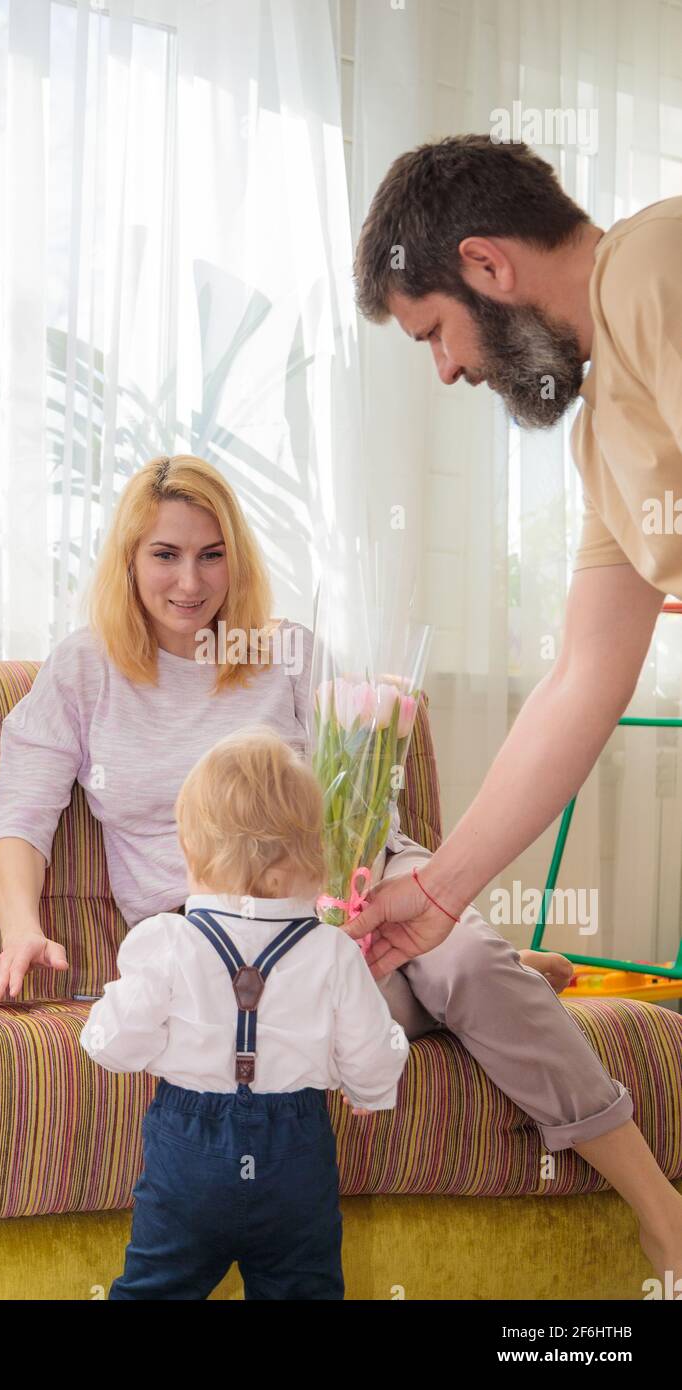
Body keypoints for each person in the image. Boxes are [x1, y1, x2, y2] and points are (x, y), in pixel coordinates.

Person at [0, 452, 678, 1279]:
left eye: (211, 554)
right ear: (128, 561)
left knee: (462, 965)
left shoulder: (287, 651)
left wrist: (345, 896)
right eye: (164, 555)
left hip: (357, 883)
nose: (190, 582)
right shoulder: (85, 670)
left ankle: (663, 1216)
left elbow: (363, 793)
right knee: (338, 1003)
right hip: (217, 928)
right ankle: (491, 971)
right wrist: (19, 929)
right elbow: (21, 809)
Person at [351, 134, 682, 1277]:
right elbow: (580, 682)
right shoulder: (602, 440)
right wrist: (438, 892)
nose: (445, 371)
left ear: (486, 266)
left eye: (431, 332)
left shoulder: (651, 268)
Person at [79, 726, 407, 1299]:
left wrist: (132, 1024)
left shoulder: (168, 941)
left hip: (188, 1156)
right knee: (303, 1289)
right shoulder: (330, 950)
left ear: (192, 851)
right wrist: (370, 1089)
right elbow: (373, 1054)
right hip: (296, 1156)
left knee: (155, 1288)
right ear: (312, 853)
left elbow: (113, 1046)